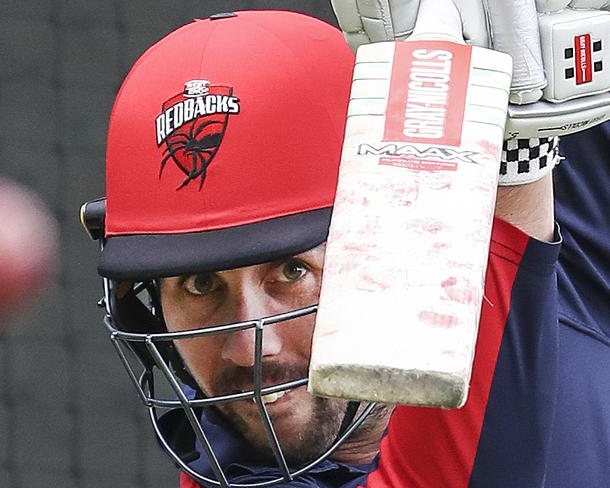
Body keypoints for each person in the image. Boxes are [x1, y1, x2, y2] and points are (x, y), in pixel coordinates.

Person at [81, 9, 610, 487]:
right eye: (200, 285)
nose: (250, 348)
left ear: (391, 241)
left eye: (291, 272)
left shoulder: (570, 242)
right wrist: (515, 159)